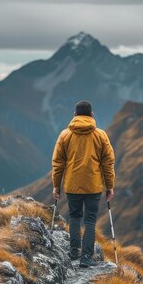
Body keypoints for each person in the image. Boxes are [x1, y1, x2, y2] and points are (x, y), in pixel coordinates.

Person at [52, 100, 115, 267]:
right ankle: (86, 258)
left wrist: (56, 186)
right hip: (93, 186)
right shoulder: (100, 135)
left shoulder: (65, 135)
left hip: (72, 186)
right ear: (92, 115)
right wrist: (109, 186)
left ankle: (74, 251)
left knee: (74, 217)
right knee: (90, 220)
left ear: (74, 115)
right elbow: (108, 163)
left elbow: (58, 163)